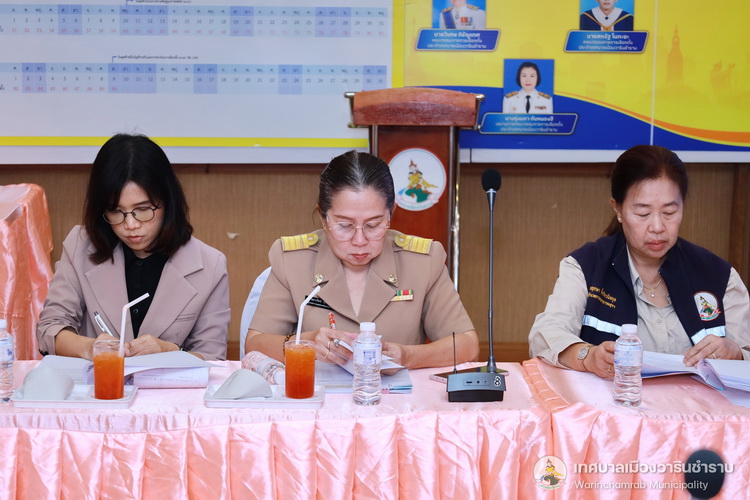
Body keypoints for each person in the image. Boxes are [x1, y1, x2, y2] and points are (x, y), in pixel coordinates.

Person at [529, 145, 750, 378]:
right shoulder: (585, 266)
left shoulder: (718, 275)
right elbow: (545, 336)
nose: (657, 227)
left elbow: (745, 350)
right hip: (613, 400)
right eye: (643, 213)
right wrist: (587, 356)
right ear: (618, 209)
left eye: (669, 212)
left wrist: (735, 353)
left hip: (697, 403)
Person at [245, 151, 479, 369]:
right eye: (345, 225)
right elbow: (255, 344)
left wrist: (408, 356)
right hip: (317, 395)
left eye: (373, 225)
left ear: (390, 215)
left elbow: (467, 345)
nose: (359, 240)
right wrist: (306, 343)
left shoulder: (422, 262)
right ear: (323, 218)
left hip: (396, 397)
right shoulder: (292, 260)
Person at [37, 134, 230, 361]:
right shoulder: (80, 246)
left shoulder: (210, 265)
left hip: (169, 384)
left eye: (143, 209)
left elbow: (212, 359)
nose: (130, 225)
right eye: (115, 211)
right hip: (98, 382)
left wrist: (169, 351)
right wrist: (89, 347)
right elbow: (50, 328)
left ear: (168, 202)